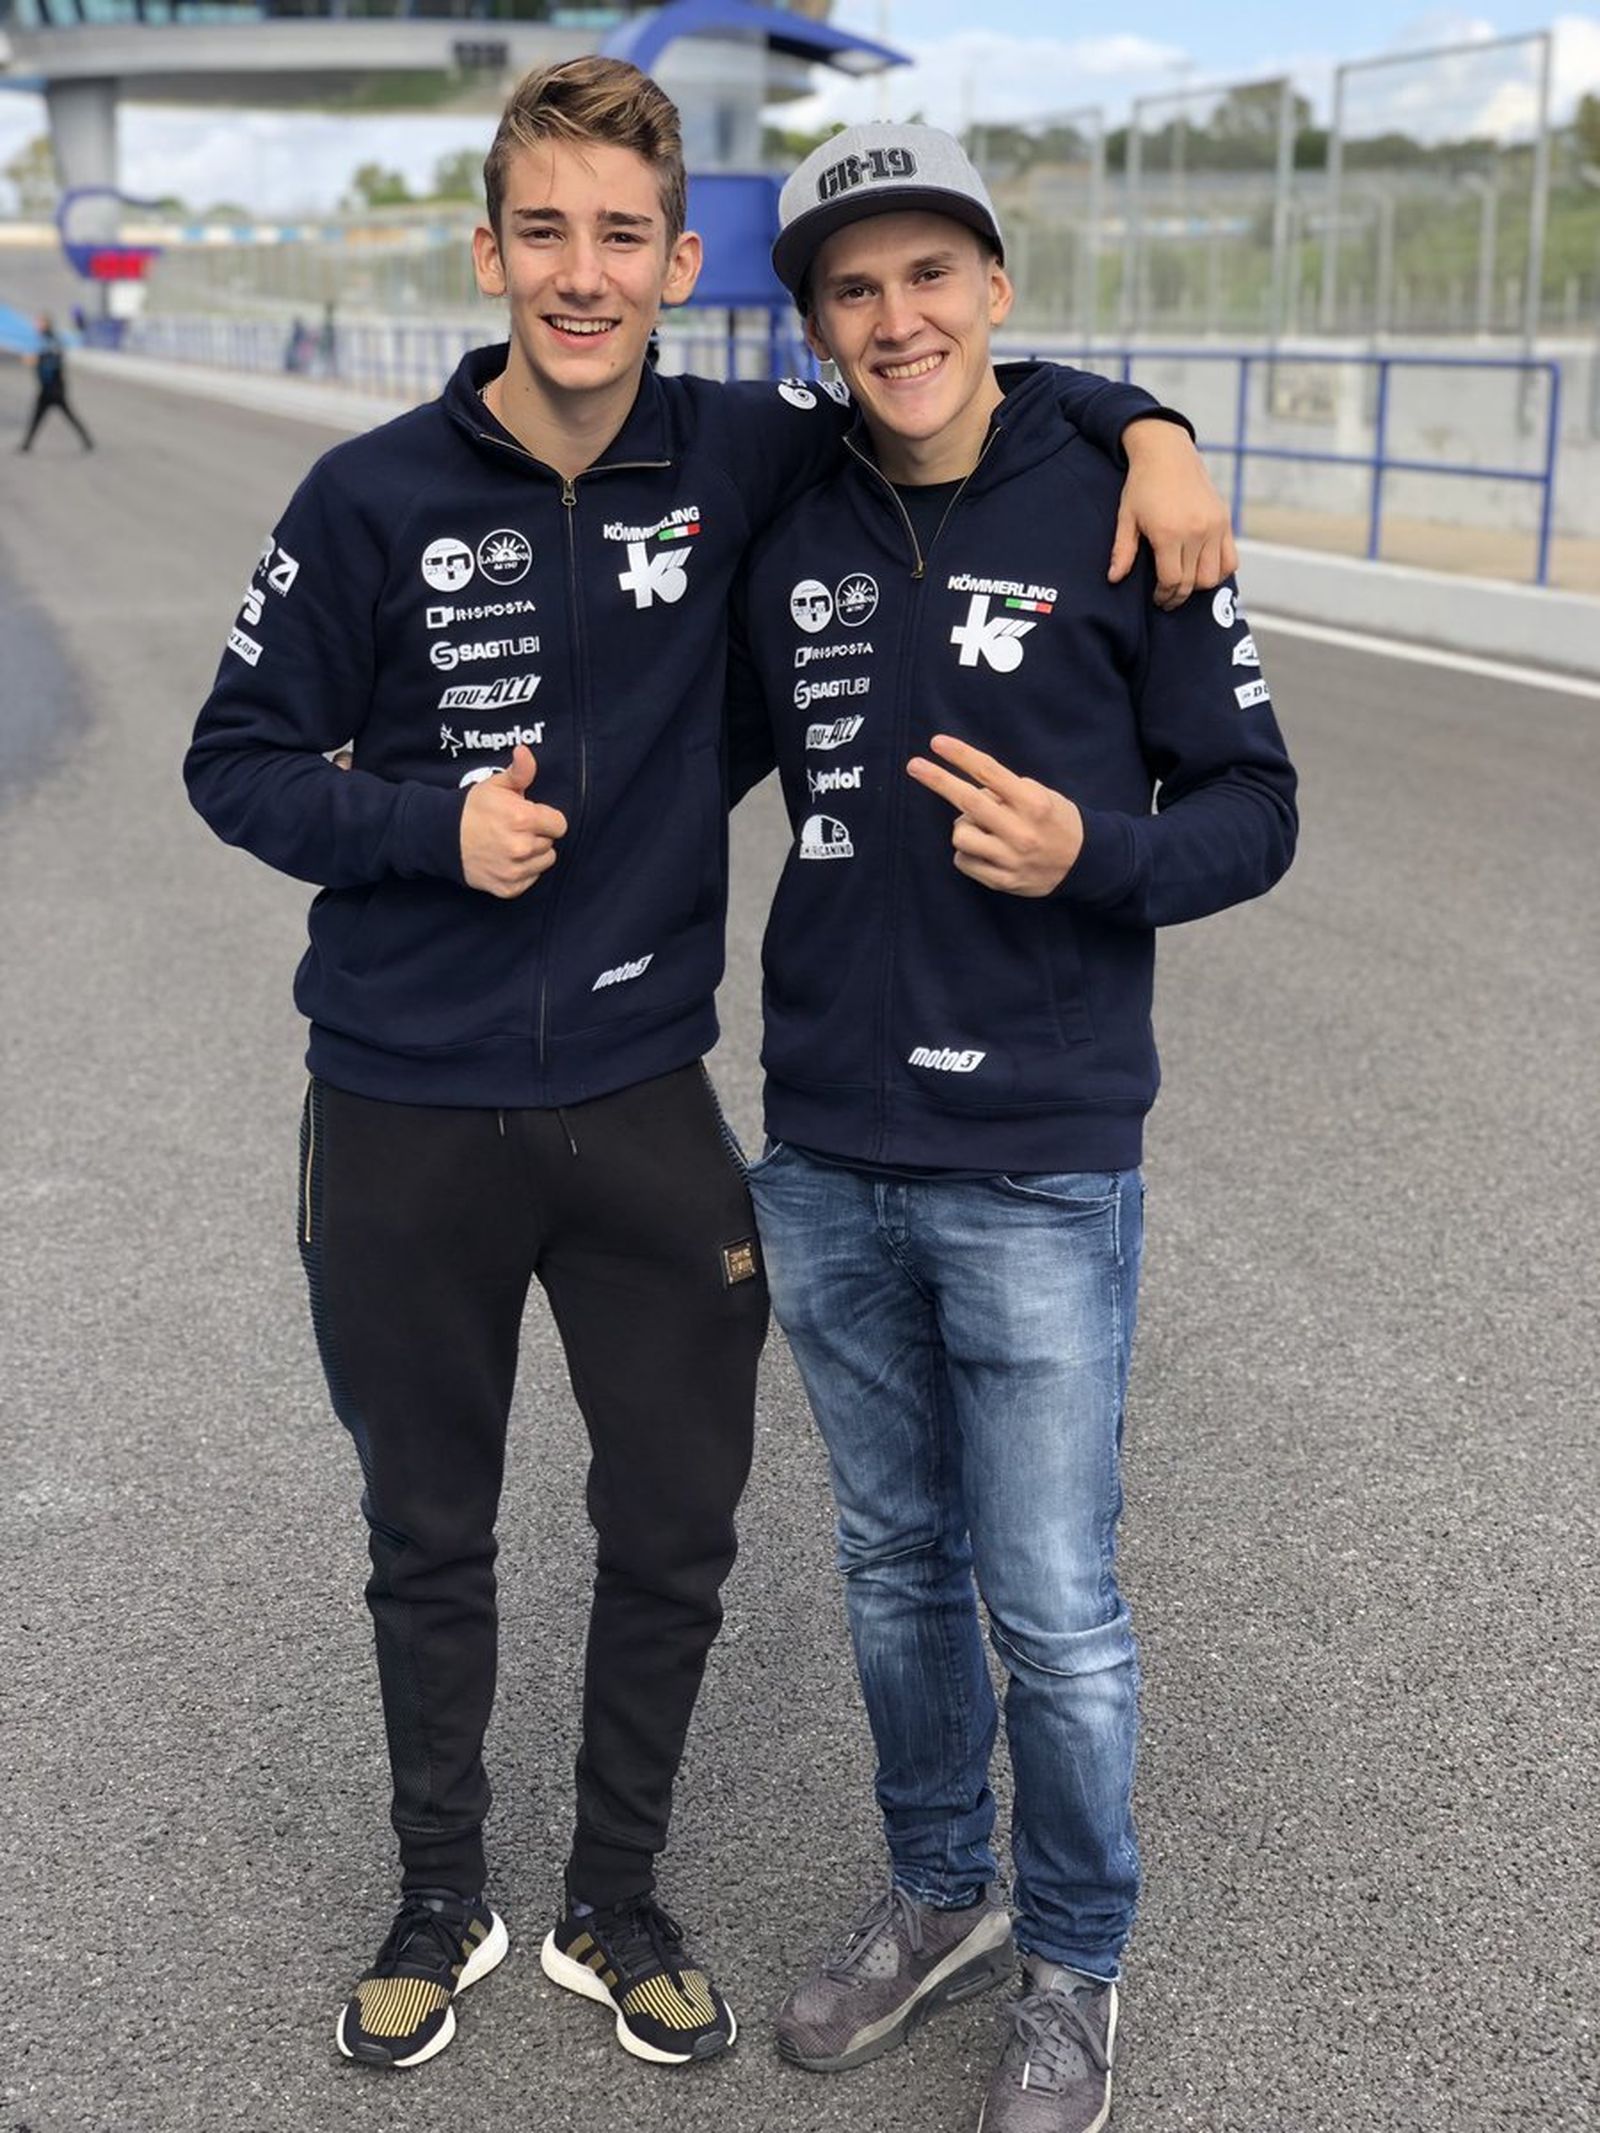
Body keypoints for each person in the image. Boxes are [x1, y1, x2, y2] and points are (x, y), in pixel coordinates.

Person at [183, 59, 1235, 2079]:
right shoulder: (366, 497)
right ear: (488, 251)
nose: (581, 276)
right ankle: (438, 1894)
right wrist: (424, 830)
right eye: (542, 231)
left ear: (679, 265)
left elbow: (952, 389)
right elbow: (233, 758)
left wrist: (1154, 429)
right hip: (399, 1097)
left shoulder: (745, 453)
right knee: (430, 1526)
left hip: (650, 1098)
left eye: (622, 238)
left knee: (679, 1531)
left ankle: (619, 1899)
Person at [729, 124, 1298, 2133]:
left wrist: (1091, 855)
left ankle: (1073, 1961)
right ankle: (940, 1898)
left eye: (929, 275)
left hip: (1041, 1152)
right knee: (891, 1562)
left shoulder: (1115, 506)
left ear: (994, 288)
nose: (897, 317)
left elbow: (1252, 806)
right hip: (818, 1141)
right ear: (815, 323)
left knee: (1047, 1597)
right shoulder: (786, 516)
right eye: (852, 288)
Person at [18, 315, 93, 453]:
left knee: (67, 416)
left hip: (55, 389)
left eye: (40, 323)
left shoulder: (51, 340)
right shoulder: (41, 340)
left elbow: (50, 358)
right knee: (37, 418)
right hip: (46, 388)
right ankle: (26, 445)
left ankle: (88, 441)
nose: (37, 326)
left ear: (47, 324)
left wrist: (37, 358)